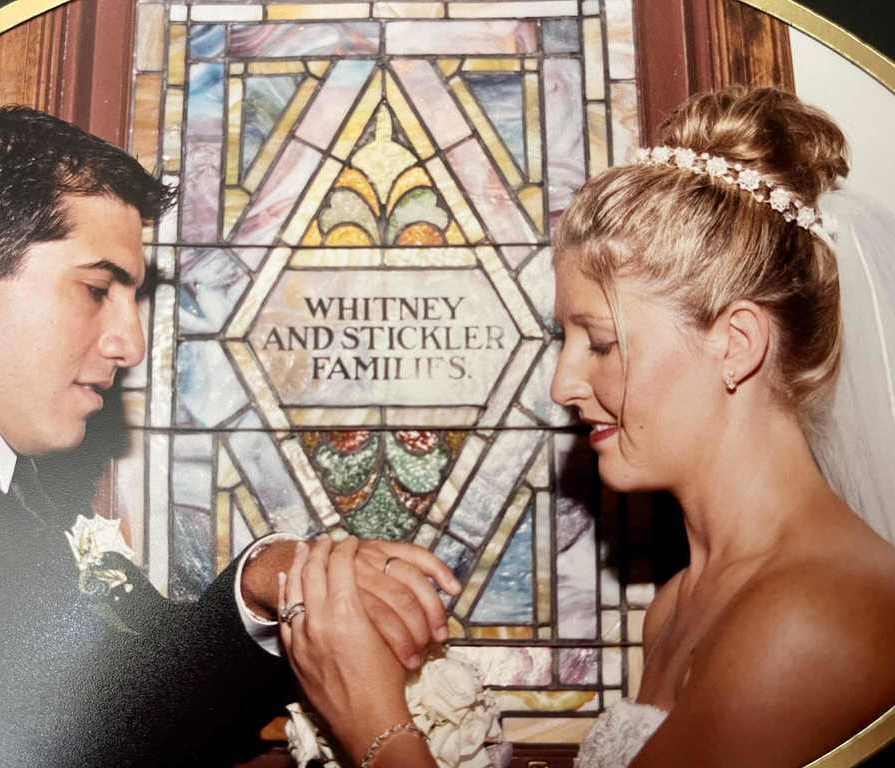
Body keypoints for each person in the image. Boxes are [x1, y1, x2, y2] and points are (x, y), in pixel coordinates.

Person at [278, 87, 895, 768]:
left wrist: (373, 722)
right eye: (565, 340)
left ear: (736, 343)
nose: (563, 385)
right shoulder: (676, 604)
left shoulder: (815, 616)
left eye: (600, 342)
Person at [0, 105, 460, 768]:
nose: (131, 343)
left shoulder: (6, 482)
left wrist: (265, 580)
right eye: (97, 289)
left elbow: (146, 706)